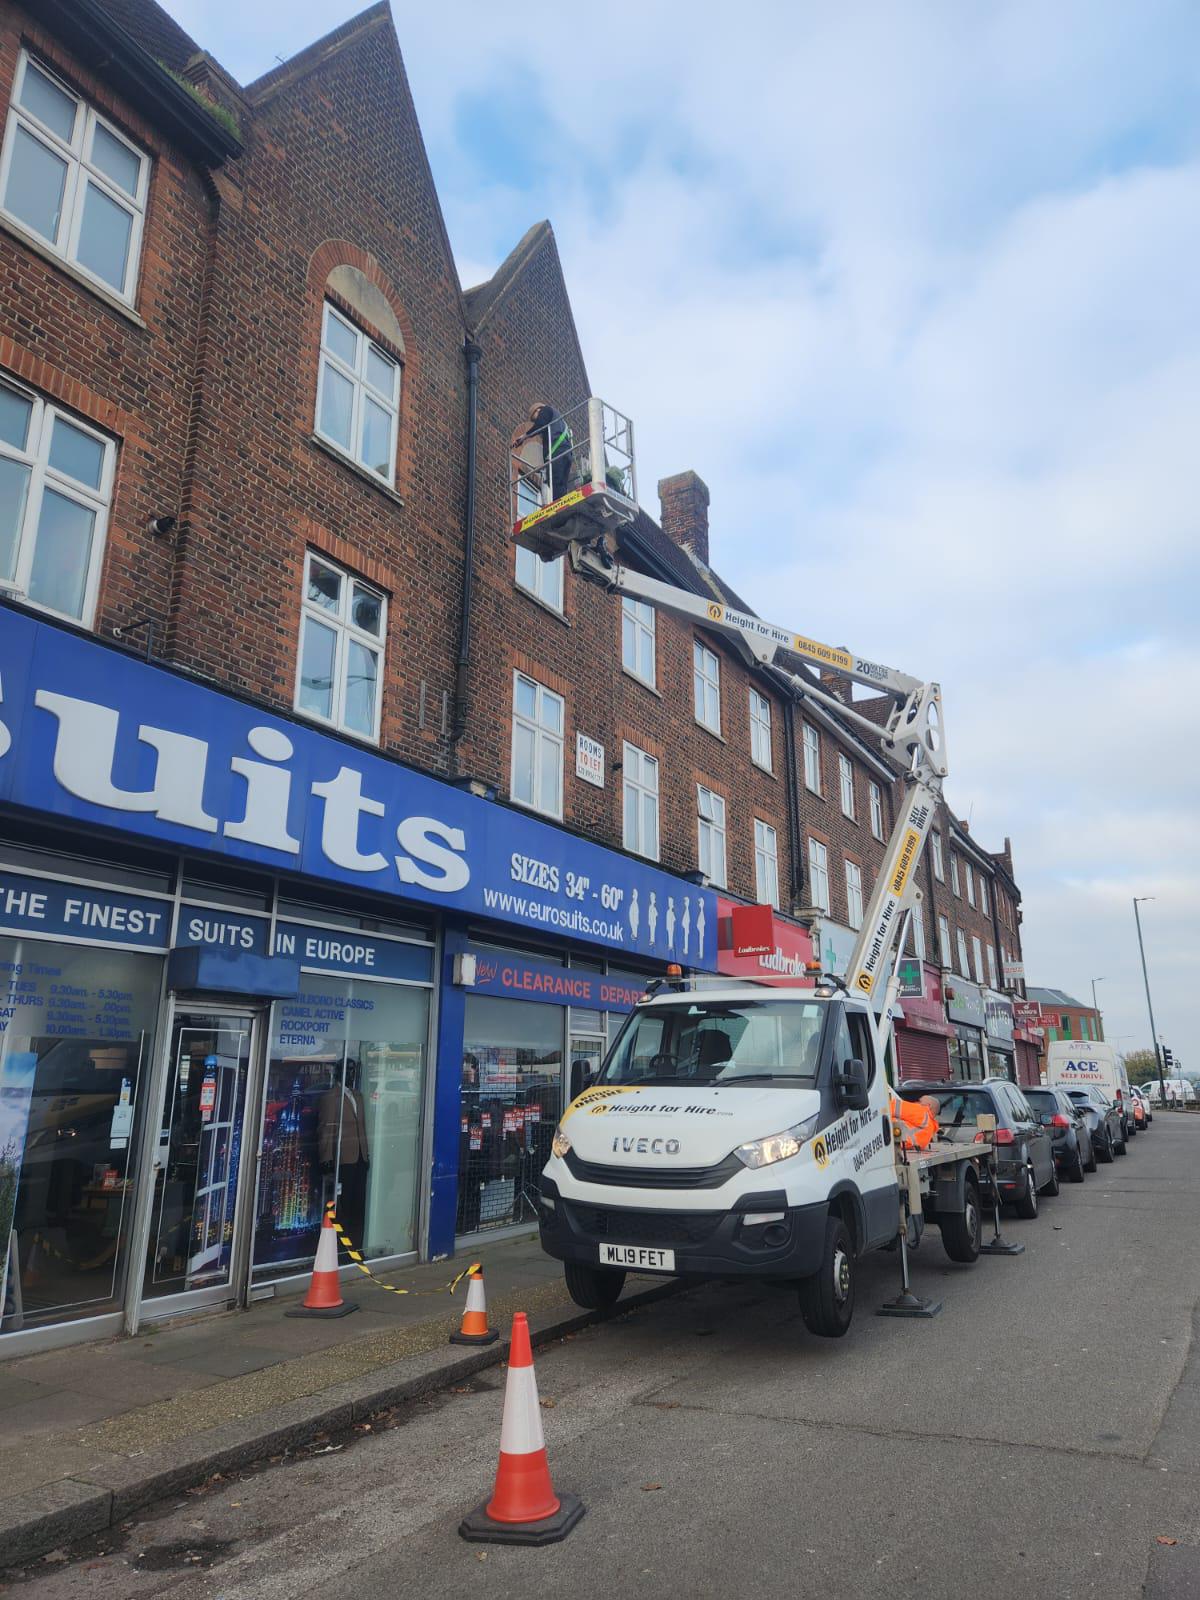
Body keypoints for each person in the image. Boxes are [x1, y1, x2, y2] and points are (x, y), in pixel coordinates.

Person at [318, 1060, 370, 1242]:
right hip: (343, 1159)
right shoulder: (331, 1097)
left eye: (353, 1071)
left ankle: (356, 1243)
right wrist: (326, 1157)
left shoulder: (359, 1096)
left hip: (360, 1158)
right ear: (339, 1073)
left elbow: (362, 1127)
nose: (351, 1074)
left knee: (358, 1204)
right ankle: (341, 1245)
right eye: (348, 1071)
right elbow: (326, 1128)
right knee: (343, 1205)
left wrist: (367, 1153)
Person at [510, 402, 574, 502]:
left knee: (555, 483)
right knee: (561, 484)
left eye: (534, 418)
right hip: (566, 453)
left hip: (558, 453)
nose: (535, 421)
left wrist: (523, 437)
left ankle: (558, 506)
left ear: (537, 410)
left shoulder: (546, 410)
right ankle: (562, 504)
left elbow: (540, 424)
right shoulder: (558, 420)